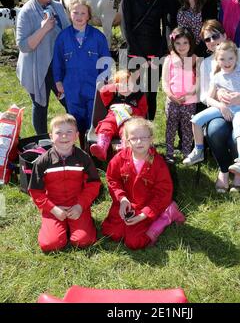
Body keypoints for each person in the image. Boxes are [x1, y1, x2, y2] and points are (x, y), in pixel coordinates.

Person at [184, 40, 240, 179]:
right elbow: (208, 99)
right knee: (196, 120)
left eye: (230, 58)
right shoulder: (216, 77)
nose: (227, 62)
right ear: (217, 59)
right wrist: (220, 105)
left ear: (236, 57)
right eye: (222, 59)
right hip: (224, 108)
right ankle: (199, 150)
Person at [196, 19, 240, 193]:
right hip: (223, 111)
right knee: (214, 132)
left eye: (216, 36)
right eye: (208, 39)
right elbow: (204, 95)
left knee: (236, 135)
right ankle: (224, 169)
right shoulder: (206, 64)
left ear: (225, 35)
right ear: (205, 44)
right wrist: (219, 102)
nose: (213, 41)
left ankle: (239, 173)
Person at [101, 117, 185, 249]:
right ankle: (132, 219)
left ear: (151, 139)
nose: (139, 141)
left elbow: (163, 193)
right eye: (134, 138)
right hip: (126, 204)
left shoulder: (158, 164)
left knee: (135, 242)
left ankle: (166, 216)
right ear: (127, 141)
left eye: (144, 138)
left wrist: (144, 214)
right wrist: (122, 199)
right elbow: (113, 180)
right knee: (111, 233)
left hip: (149, 205)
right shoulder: (119, 159)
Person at [28, 114, 100, 252]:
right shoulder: (43, 162)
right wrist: (53, 209)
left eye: (69, 132)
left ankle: (77, 224)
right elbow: (36, 192)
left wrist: (80, 206)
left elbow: (93, 184)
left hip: (78, 205)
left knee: (83, 241)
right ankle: (55, 225)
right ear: (51, 136)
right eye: (59, 133)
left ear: (76, 135)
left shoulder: (84, 158)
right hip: (54, 207)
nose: (64, 136)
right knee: (50, 244)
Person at [53, 0, 111, 147]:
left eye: (83, 13)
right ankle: (80, 151)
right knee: (75, 120)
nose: (79, 16)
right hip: (72, 87)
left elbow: (106, 61)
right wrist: (58, 81)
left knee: (94, 119)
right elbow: (57, 61)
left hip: (93, 86)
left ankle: (94, 150)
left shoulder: (98, 37)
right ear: (69, 15)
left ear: (88, 16)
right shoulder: (63, 37)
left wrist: (104, 82)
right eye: (75, 12)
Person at [16, 0, 70, 134]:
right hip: (36, 67)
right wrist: (45, 28)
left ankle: (73, 136)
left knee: (69, 101)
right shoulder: (26, 12)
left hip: (57, 66)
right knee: (41, 106)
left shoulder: (58, 6)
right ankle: (43, 144)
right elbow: (23, 46)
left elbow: (67, 33)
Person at [121, 0, 170, 120]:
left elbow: (167, 27)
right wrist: (140, 56)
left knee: (151, 94)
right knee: (132, 94)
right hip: (134, 52)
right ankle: (133, 133)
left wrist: (160, 53)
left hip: (154, 52)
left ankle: (148, 133)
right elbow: (125, 27)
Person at [90, 70, 148, 161]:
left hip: (129, 120)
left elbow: (143, 111)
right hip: (113, 118)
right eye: (122, 85)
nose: (125, 88)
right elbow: (103, 91)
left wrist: (133, 110)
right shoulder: (113, 95)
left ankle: (124, 149)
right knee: (106, 126)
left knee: (128, 130)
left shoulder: (138, 95)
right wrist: (114, 86)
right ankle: (101, 148)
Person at [162, 27, 199, 162]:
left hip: (189, 101)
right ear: (173, 44)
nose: (181, 46)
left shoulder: (195, 59)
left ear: (191, 43)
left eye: (185, 43)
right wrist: (171, 95)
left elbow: (198, 83)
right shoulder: (169, 60)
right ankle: (169, 153)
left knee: (188, 128)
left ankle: (187, 152)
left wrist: (188, 95)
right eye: (178, 43)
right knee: (170, 126)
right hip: (172, 100)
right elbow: (165, 82)